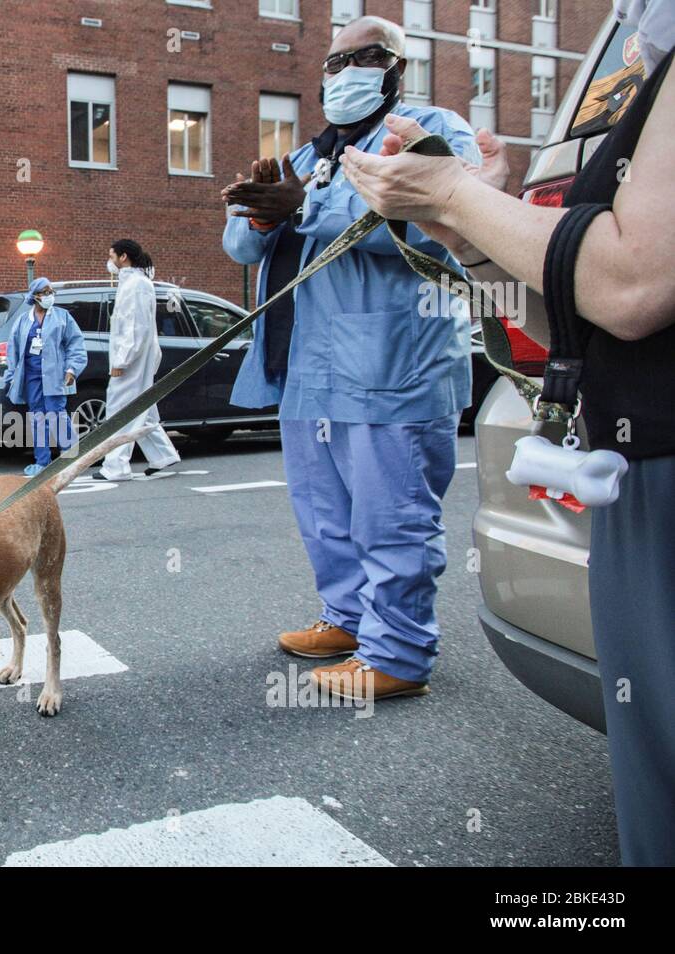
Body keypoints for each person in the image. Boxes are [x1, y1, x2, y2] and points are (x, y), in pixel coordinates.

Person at [338, 3, 675, 865]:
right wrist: (470, 227)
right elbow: (570, 309)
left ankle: (394, 647)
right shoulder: (645, 85)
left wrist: (451, 192)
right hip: (636, 472)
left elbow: (632, 283)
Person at [221, 15, 478, 700]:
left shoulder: (430, 131)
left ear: (395, 66)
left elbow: (440, 226)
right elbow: (243, 249)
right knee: (325, 512)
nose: (345, 72)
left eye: (364, 57)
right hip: (309, 371)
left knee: (389, 515)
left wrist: (302, 207)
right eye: (335, 62)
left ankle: (397, 652)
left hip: (392, 368)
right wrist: (261, 213)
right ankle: (349, 618)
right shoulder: (308, 155)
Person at [94, 239, 181, 481]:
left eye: (112, 256)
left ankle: (116, 466)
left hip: (132, 360)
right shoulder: (134, 283)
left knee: (120, 410)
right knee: (142, 407)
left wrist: (122, 361)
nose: (109, 262)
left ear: (123, 257)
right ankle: (162, 455)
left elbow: (136, 326)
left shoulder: (137, 285)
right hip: (136, 358)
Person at [2, 277, 87, 477]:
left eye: (51, 291)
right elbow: (12, 351)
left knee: (56, 413)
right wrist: (11, 376)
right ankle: (42, 462)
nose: (50, 295)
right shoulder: (23, 320)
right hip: (31, 376)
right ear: (35, 296)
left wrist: (71, 370)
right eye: (45, 291)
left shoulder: (62, 317)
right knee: (38, 417)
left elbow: (76, 344)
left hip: (55, 375)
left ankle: (71, 457)